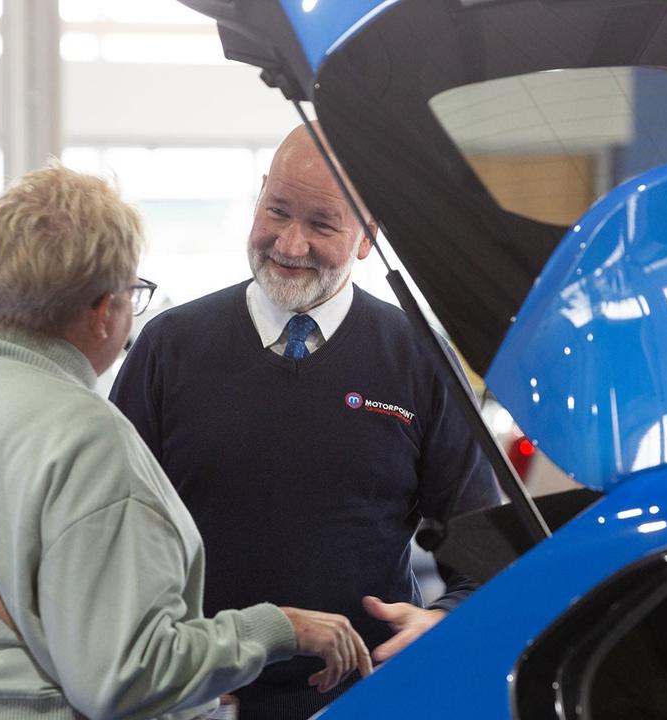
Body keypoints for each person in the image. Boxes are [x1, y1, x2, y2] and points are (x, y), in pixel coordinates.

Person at [0, 164, 371, 720]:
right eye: (131, 293)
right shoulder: (85, 439)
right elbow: (123, 677)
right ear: (102, 312)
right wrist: (278, 628)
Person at [109, 124, 501, 719]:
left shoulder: (419, 358)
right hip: (200, 701)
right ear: (260, 193)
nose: (290, 244)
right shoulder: (170, 347)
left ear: (369, 235)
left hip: (366, 700)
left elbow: (487, 553)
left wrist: (442, 621)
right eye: (277, 211)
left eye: (322, 224)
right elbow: (113, 540)